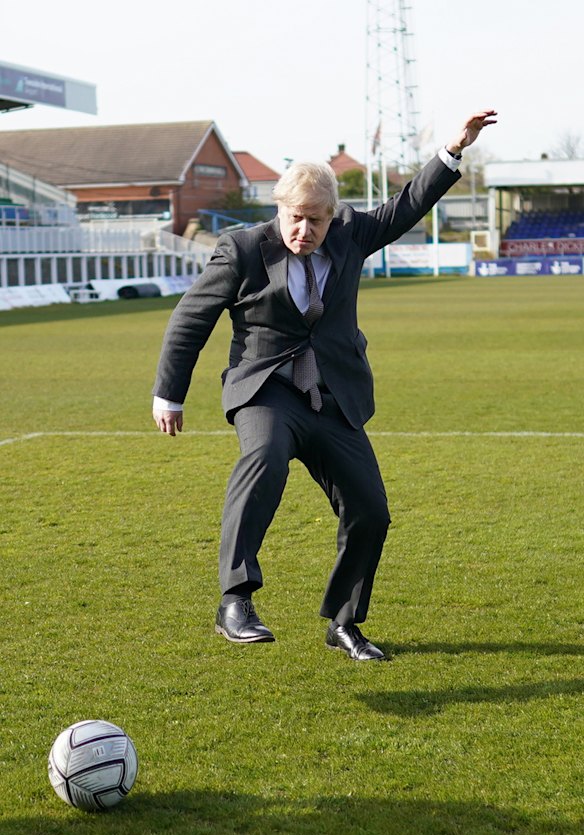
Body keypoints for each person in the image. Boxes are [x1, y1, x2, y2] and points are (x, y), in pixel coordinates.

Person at [152, 110, 497, 661]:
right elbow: (191, 317)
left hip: (333, 398)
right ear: (279, 209)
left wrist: (454, 149)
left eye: (316, 219)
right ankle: (235, 599)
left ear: (333, 215)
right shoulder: (242, 250)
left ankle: (344, 623)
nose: (304, 230)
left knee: (371, 510)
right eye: (295, 218)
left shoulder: (350, 235)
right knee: (263, 456)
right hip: (266, 391)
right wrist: (169, 394)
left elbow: (406, 206)